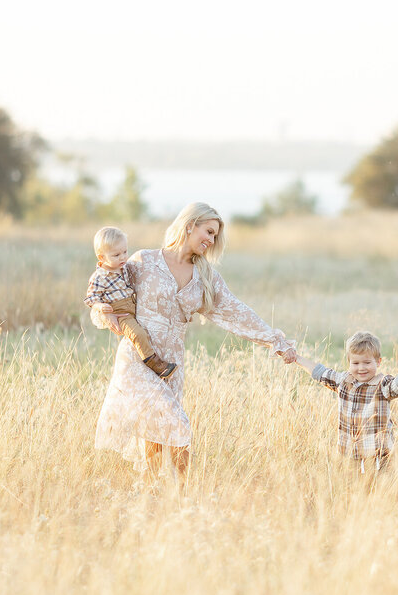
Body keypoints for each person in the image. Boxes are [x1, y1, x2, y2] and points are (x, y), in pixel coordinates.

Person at [91, 202, 296, 479]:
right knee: (177, 424)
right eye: (208, 232)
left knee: (158, 432)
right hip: (138, 357)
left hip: (172, 363)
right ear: (189, 225)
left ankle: (161, 497)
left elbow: (237, 313)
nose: (211, 241)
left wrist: (274, 340)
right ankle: (182, 493)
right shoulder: (143, 261)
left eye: (215, 236)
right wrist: (103, 312)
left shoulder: (206, 277)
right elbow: (108, 288)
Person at [289, 331, 398, 476]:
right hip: (350, 455)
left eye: (367, 362)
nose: (361, 368)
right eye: (355, 363)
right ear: (349, 363)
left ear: (379, 362)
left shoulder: (383, 384)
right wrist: (296, 358)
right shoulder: (344, 381)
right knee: (353, 491)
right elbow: (319, 372)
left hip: (379, 457)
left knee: (379, 490)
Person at [84, 226, 176, 379]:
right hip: (121, 313)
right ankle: (155, 364)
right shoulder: (99, 277)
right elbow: (91, 297)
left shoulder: (123, 267)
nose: (122, 257)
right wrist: (101, 307)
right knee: (137, 333)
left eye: (125, 252)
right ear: (102, 258)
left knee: (150, 329)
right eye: (116, 255)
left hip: (134, 304)